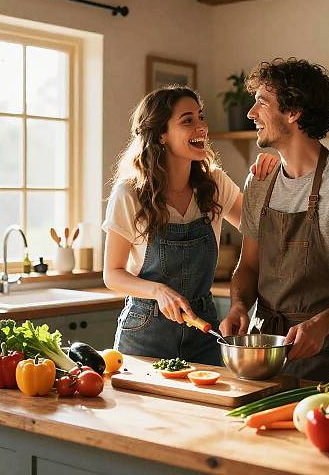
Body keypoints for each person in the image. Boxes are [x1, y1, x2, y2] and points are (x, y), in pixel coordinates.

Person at [220, 58, 329, 384]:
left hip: (325, 353)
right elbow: (249, 266)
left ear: (293, 111)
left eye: (261, 103)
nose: (250, 113)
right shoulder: (259, 182)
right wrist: (238, 307)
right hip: (264, 353)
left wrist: (321, 325)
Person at [102, 85, 276, 366]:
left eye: (201, 117)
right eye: (188, 120)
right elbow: (112, 275)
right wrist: (157, 291)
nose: (202, 127)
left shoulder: (215, 183)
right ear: (161, 135)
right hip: (144, 334)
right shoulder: (130, 194)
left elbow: (260, 228)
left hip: (204, 332)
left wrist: (263, 184)